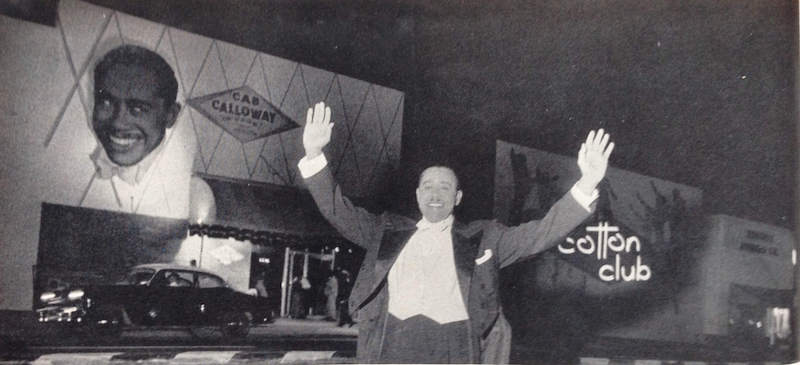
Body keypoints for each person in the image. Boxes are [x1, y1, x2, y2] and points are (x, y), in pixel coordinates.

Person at [298, 101, 615, 363]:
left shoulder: (485, 237)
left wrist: (587, 183)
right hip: (393, 344)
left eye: (445, 187)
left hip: (455, 347)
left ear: (458, 198)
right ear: (418, 195)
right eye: (428, 187)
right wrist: (314, 155)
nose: (435, 194)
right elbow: (337, 210)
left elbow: (541, 233)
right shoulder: (383, 231)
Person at [82, 44, 215, 221]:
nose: (118, 122)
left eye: (138, 108)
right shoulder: (69, 171)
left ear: (170, 115)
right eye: (106, 103)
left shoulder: (195, 191)